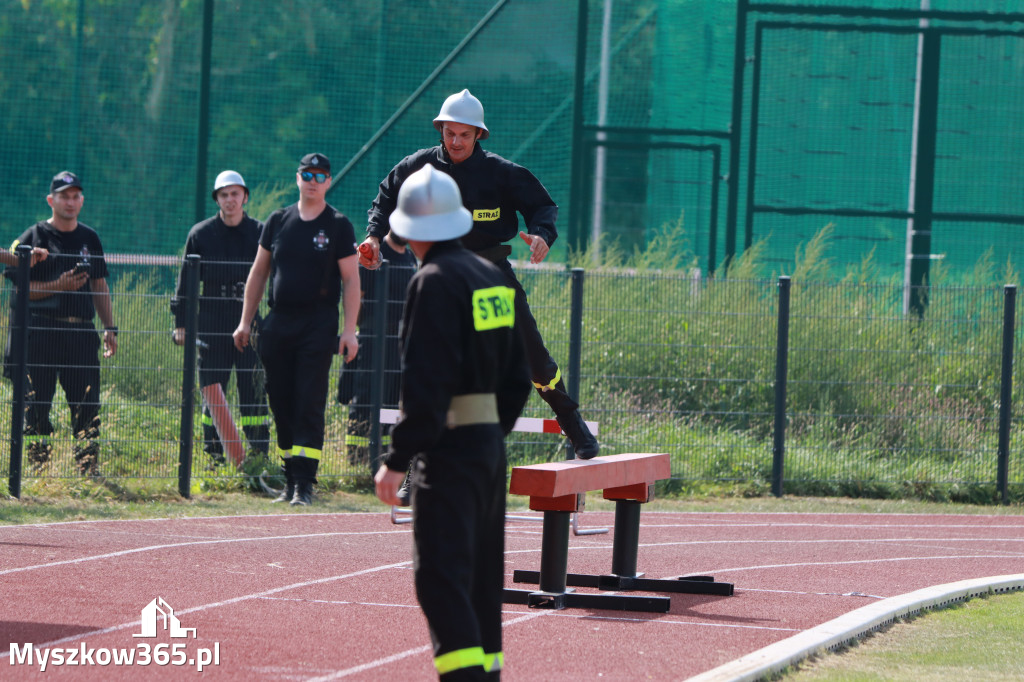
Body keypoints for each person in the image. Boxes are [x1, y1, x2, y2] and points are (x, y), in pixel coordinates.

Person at [359, 88, 599, 460]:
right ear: (440, 130)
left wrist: (542, 237)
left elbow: (543, 207)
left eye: (465, 135)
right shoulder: (419, 167)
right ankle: (415, 466)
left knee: (532, 358)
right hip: (441, 281)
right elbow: (386, 196)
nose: (456, 141)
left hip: (492, 279)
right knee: (431, 368)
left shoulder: (502, 173)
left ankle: (574, 427)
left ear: (478, 135)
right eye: (450, 133)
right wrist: (373, 237)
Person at [374, 165, 531, 681]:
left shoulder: (433, 282)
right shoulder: (491, 279)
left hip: (448, 453)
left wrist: (397, 459)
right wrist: (488, 429)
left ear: (413, 230)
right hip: (488, 449)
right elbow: (518, 378)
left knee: (440, 578)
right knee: (482, 581)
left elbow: (426, 383)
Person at [233, 153, 360, 506]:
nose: (313, 181)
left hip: (318, 324)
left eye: (320, 176)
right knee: (281, 400)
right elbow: (259, 273)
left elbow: (351, 281)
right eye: (307, 174)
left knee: (309, 400)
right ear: (298, 178)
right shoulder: (277, 220)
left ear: (329, 182)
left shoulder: (338, 225)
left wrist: (349, 331)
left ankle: (305, 483)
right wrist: (246, 320)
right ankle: (289, 480)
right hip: (278, 323)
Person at [3, 171, 117, 475]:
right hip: (41, 331)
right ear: (51, 200)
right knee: (37, 403)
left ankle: (87, 468)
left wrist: (110, 326)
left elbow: (99, 285)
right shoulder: (34, 236)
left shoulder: (90, 238)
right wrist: (60, 285)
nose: (70, 201)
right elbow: (19, 293)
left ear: (82, 201)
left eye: (75, 196)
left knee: (87, 403)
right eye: (63, 196)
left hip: (80, 331)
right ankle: (38, 470)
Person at [170, 170, 270, 469]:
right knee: (213, 392)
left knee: (253, 392)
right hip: (211, 322)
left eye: (235, 194)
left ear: (245, 197)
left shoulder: (260, 233)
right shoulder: (200, 234)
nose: (230, 199)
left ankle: (257, 458)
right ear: (217, 199)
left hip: (250, 321)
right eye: (224, 195)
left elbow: (275, 278)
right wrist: (180, 323)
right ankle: (214, 459)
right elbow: (186, 284)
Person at [337, 233, 415, 468]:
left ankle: (382, 461)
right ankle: (357, 462)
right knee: (365, 399)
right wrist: (364, 330)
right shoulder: (373, 257)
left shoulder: (410, 257)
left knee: (392, 402)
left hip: (400, 344)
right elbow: (356, 298)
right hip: (373, 340)